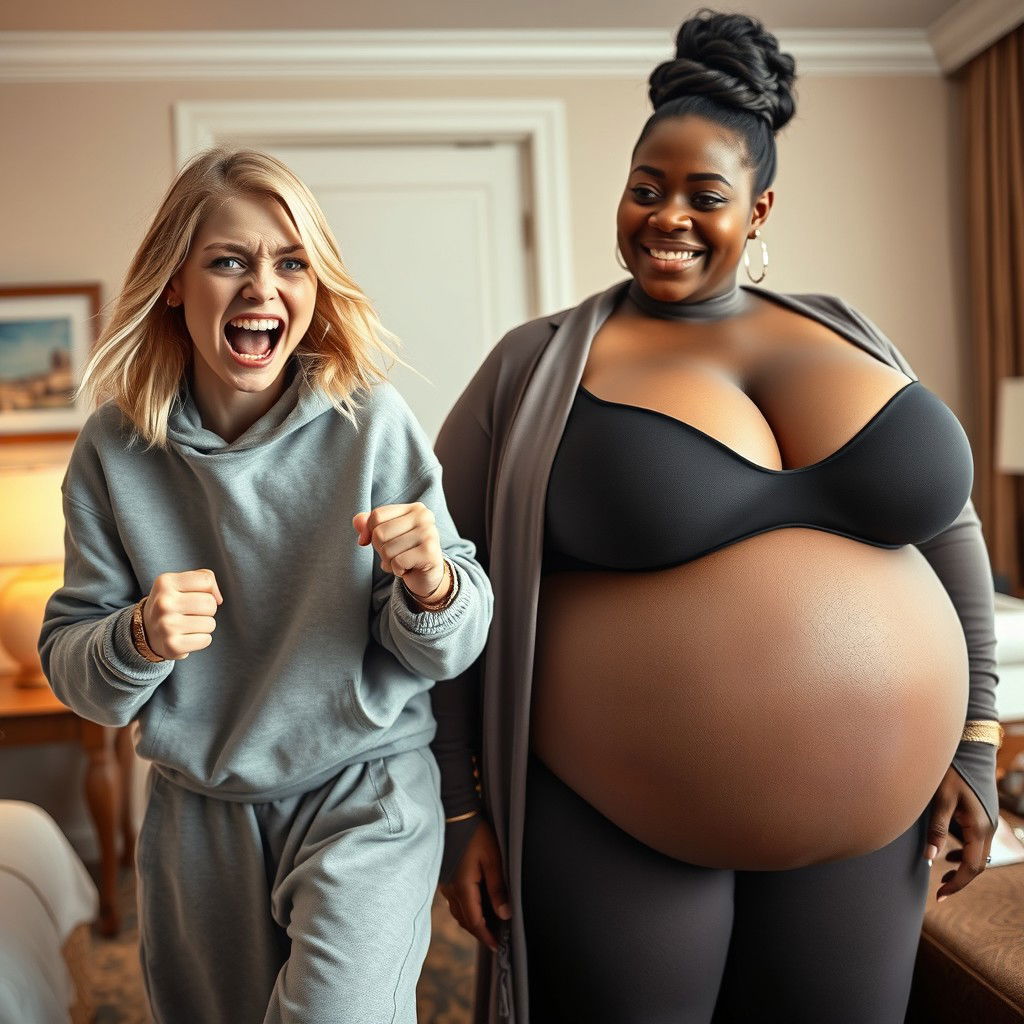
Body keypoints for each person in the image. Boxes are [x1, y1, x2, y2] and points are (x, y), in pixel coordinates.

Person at [429, 10, 1001, 1024]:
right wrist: (459, 806)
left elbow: (947, 531)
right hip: (618, 823)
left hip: (875, 839)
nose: (666, 216)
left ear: (759, 206)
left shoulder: (851, 333)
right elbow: (443, 587)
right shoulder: (534, 365)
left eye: (704, 195)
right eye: (644, 189)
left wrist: (974, 743)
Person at [38, 148, 493, 1024]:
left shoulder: (371, 423)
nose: (262, 289)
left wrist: (433, 582)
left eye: (291, 264)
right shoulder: (113, 450)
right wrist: (135, 636)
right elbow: (74, 672)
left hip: (364, 790)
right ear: (175, 283)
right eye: (228, 261)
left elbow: (454, 640)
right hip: (199, 814)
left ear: (315, 288)